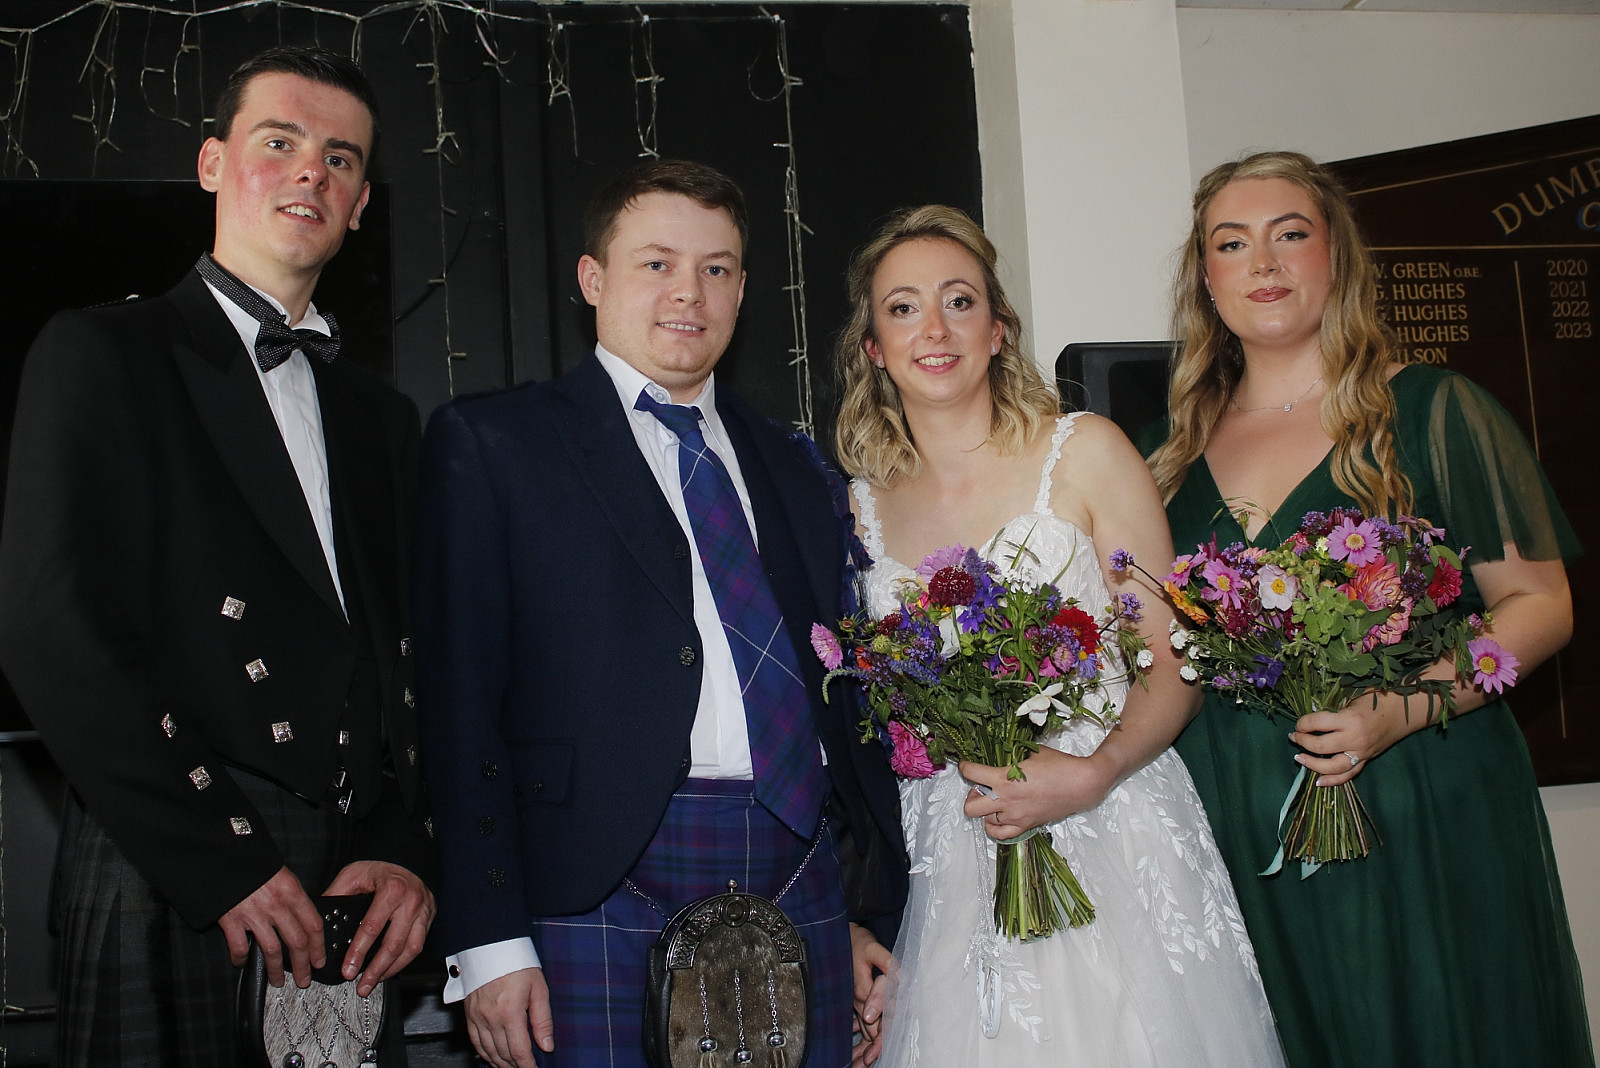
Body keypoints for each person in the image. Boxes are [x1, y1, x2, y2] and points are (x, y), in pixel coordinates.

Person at [413, 158, 907, 1068]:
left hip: (799, 873)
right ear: (592, 279)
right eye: (656, 264)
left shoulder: (794, 463)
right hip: (591, 888)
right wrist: (487, 938)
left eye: (716, 269)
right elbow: (457, 708)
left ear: (743, 290)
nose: (690, 292)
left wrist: (857, 905)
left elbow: (833, 699)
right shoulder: (497, 444)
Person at [0, 45, 436, 1066]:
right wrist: (220, 856)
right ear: (211, 164)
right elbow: (52, 631)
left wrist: (401, 846)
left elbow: (404, 660)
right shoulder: (105, 352)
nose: (310, 171)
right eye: (279, 142)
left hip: (346, 876)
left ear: (360, 205)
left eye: (340, 158)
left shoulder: (381, 418)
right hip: (178, 848)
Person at [1147, 150, 1595, 1067]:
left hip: (1420, 798)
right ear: (1206, 279)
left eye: (1290, 235)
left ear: (1337, 256)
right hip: (1240, 821)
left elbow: (1542, 605)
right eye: (1232, 243)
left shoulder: (1431, 409)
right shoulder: (1165, 455)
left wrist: (1399, 710)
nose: (1263, 263)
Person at [832, 204, 1284, 1066]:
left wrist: (1094, 771)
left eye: (960, 301)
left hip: (1111, 815)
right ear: (874, 348)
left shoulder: (1085, 452)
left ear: (998, 328)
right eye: (903, 308)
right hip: (953, 846)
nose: (935, 329)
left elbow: (1172, 657)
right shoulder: (854, 507)